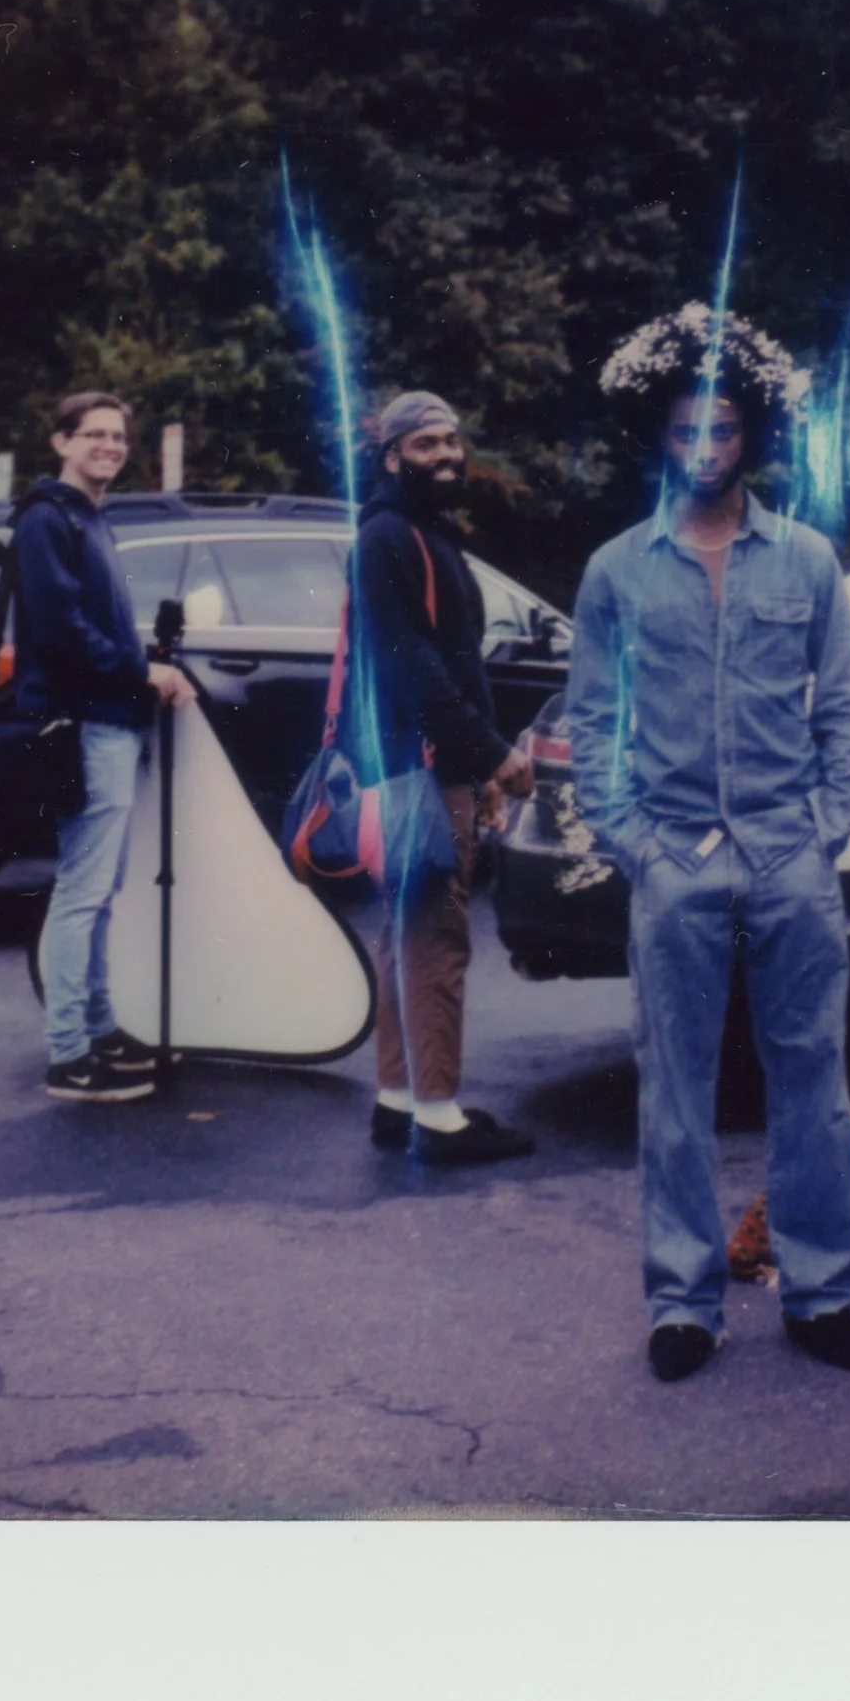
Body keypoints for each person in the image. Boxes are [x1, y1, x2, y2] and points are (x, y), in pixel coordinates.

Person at [566, 304, 850, 1381]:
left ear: (753, 441)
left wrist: (824, 832)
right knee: (674, 1090)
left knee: (813, 1083)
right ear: (660, 437)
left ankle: (821, 1289)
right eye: (686, 431)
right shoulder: (616, 570)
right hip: (675, 862)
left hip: (788, 853)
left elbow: (843, 710)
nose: (704, 450)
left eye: (724, 432)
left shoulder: (804, 561)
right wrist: (638, 846)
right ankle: (684, 1305)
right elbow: (593, 726)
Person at [353, 391, 538, 1164]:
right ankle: (438, 1114)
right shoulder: (395, 537)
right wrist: (491, 754)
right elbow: (418, 666)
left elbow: (449, 660)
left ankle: (398, 1100)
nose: (447, 455)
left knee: (407, 930)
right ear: (393, 456)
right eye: (426, 444)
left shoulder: (419, 533)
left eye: (452, 440)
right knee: (436, 938)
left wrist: (480, 765)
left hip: (414, 766)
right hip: (422, 770)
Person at [11, 390, 196, 1103]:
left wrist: (143, 665)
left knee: (100, 891)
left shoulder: (89, 519)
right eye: (93, 435)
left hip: (109, 721)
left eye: (118, 437)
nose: (109, 447)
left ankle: (98, 1028)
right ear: (60, 442)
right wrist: (139, 669)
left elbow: (94, 627)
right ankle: (68, 1054)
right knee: (83, 892)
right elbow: (60, 631)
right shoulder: (47, 520)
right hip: (83, 723)